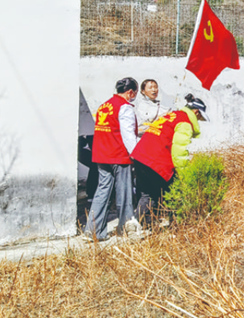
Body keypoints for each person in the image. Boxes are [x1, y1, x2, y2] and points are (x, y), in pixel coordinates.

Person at [131, 94, 207, 226]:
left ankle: (137, 224)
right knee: (169, 193)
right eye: (200, 117)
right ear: (196, 112)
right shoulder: (184, 123)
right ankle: (177, 225)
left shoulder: (172, 115)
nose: (198, 120)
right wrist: (184, 175)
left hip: (140, 156)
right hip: (155, 160)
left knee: (147, 194)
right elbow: (179, 152)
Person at [84, 77, 138, 241]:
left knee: (102, 192)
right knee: (124, 194)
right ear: (130, 92)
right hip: (118, 155)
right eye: (135, 93)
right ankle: (125, 229)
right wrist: (136, 154)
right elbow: (128, 135)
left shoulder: (104, 106)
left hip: (102, 155)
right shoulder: (125, 107)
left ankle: (92, 231)